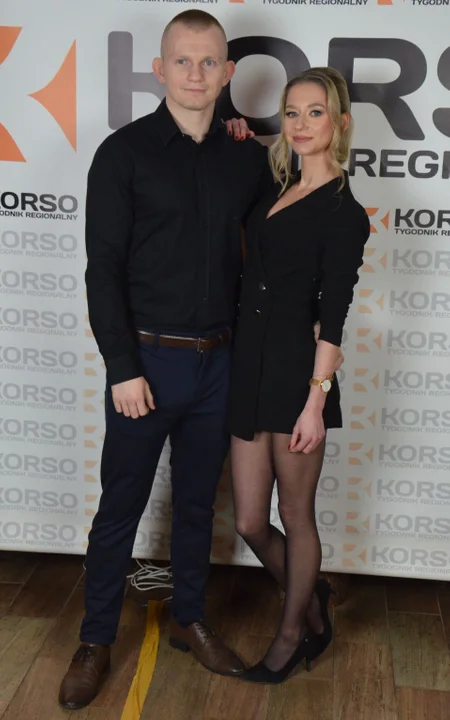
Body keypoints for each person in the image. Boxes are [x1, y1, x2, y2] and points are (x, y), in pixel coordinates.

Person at [58, 10, 275, 710]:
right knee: (120, 507)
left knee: (196, 505)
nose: (195, 74)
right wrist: (122, 367)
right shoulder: (122, 154)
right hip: (146, 364)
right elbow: (102, 271)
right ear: (159, 69)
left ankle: (190, 617)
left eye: (209, 62)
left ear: (228, 71)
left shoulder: (246, 158)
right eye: (182, 61)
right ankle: (95, 639)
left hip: (219, 364)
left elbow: (272, 251)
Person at [228, 67, 370, 684]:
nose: (302, 124)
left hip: (297, 378)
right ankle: (312, 596)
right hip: (248, 366)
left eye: (316, 112)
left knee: (295, 513)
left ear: (339, 122)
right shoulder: (277, 184)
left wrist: (316, 402)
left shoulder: (344, 211)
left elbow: (334, 316)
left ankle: (294, 636)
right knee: (248, 521)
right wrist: (240, 135)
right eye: (292, 112)